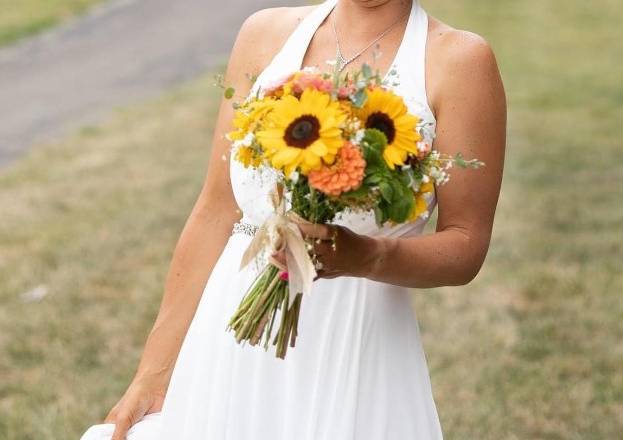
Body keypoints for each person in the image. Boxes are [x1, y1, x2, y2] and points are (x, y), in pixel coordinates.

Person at [80, 0, 506, 438]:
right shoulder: (263, 33)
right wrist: (153, 372)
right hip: (230, 333)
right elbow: (216, 210)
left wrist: (369, 257)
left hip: (352, 347)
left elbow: (465, 243)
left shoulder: (460, 60)